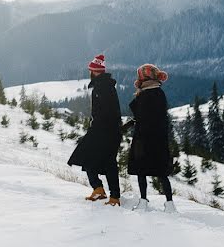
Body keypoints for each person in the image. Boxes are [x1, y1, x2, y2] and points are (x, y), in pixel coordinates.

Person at [67, 54, 121, 206]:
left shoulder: (103, 88)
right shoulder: (102, 86)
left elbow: (107, 112)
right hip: (102, 130)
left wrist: (98, 128)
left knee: (108, 162)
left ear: (94, 71)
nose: (89, 72)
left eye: (90, 70)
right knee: (88, 157)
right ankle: (98, 189)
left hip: (105, 132)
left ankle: (114, 197)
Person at [123, 63, 176, 213]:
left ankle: (143, 202)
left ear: (143, 78)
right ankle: (170, 204)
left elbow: (139, 116)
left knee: (141, 170)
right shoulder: (160, 93)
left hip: (143, 139)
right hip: (159, 140)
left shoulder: (145, 95)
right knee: (161, 172)